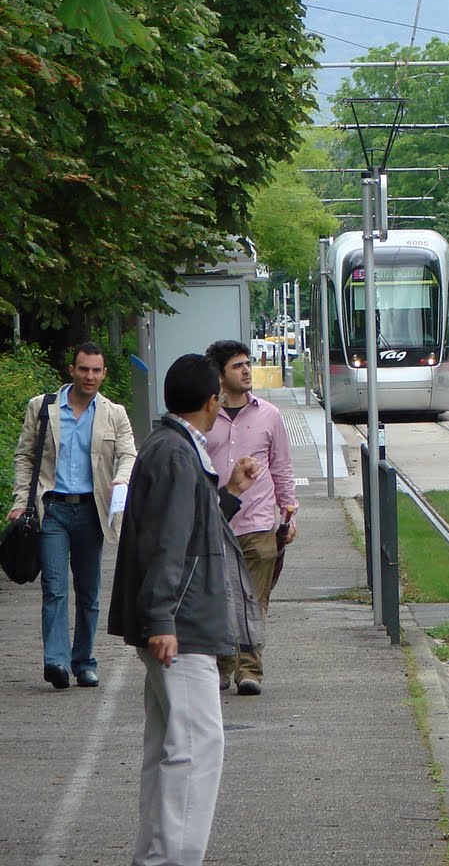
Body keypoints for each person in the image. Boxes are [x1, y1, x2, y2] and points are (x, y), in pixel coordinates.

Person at [109, 353, 260, 866]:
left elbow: (189, 528)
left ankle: (155, 856)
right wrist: (163, 620)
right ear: (213, 402)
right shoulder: (177, 455)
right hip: (184, 625)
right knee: (196, 750)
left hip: (175, 620)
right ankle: (175, 859)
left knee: (170, 749)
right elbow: (170, 545)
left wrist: (232, 493)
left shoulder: (167, 447)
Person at [9, 341, 136, 689]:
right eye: (84, 369)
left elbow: (128, 454)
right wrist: (21, 501)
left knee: (89, 592)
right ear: (72, 370)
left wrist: (121, 480)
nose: (90, 376)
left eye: (96, 370)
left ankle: (84, 661)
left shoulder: (114, 413)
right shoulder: (43, 407)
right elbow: (24, 458)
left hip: (91, 511)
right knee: (54, 587)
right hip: (51, 509)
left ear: (104, 373)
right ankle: (56, 662)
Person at [204, 338, 297, 696]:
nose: (246, 371)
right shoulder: (207, 414)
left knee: (254, 600)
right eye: (237, 366)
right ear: (220, 375)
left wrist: (289, 513)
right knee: (220, 597)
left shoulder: (269, 416)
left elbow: (282, 468)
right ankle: (223, 664)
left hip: (258, 521)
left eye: (248, 364)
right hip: (216, 521)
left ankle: (250, 669)